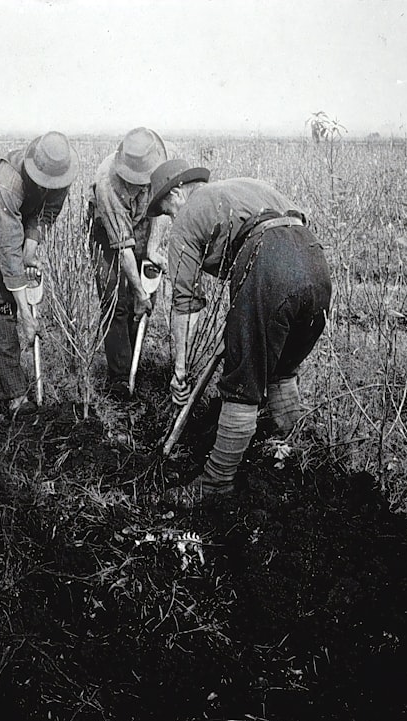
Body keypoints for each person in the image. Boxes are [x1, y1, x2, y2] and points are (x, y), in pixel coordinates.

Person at [146, 159, 333, 504]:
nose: (172, 218)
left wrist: (180, 371)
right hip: (315, 264)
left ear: (176, 193)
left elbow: (184, 304)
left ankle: (216, 483)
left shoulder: (187, 219)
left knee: (242, 384)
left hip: (268, 263)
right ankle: (294, 455)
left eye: (167, 210)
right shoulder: (246, 187)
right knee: (279, 370)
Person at [0, 131, 78, 417]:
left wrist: (31, 250)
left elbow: (45, 214)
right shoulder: (8, 182)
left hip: (15, 222)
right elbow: (8, 256)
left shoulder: (61, 175)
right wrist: (26, 315)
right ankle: (14, 395)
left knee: (0, 304)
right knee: (2, 303)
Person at [87, 127, 168, 399]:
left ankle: (134, 358)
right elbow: (122, 248)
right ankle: (120, 377)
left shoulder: (160, 164)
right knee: (115, 300)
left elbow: (161, 210)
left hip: (143, 224)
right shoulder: (107, 184)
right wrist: (137, 290)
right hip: (106, 229)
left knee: (143, 302)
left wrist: (154, 247)